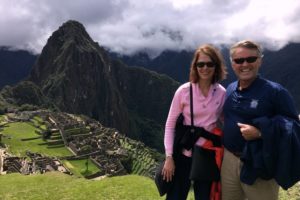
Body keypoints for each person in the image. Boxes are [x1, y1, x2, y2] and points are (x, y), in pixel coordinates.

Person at [221, 40, 300, 200]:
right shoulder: (230, 89)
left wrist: (261, 132)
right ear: (232, 63)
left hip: (260, 162)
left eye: (251, 59)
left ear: (260, 61)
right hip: (229, 159)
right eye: (239, 60)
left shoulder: (275, 92)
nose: (245, 64)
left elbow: (294, 127)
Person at [162, 44, 227, 200]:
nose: (205, 68)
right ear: (195, 67)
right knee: (176, 196)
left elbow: (226, 120)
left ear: (216, 66)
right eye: (200, 64)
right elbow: (170, 125)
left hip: (207, 154)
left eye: (209, 64)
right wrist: (169, 157)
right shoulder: (184, 91)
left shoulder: (221, 93)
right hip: (184, 154)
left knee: (205, 196)